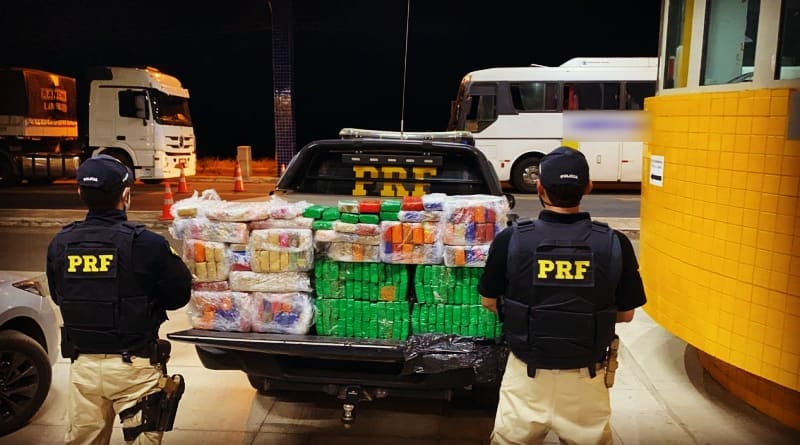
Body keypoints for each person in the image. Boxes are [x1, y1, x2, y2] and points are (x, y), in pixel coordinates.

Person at [479, 146, 646, 445]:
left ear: (540, 188)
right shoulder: (614, 243)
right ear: (588, 187)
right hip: (587, 380)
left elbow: (489, 301)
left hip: (526, 380)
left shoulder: (511, 239)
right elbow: (627, 314)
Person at [46, 154, 192, 445]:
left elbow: (59, 295)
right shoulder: (147, 244)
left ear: (80, 192)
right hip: (134, 368)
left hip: (83, 367)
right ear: (126, 195)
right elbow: (179, 296)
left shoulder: (61, 243)